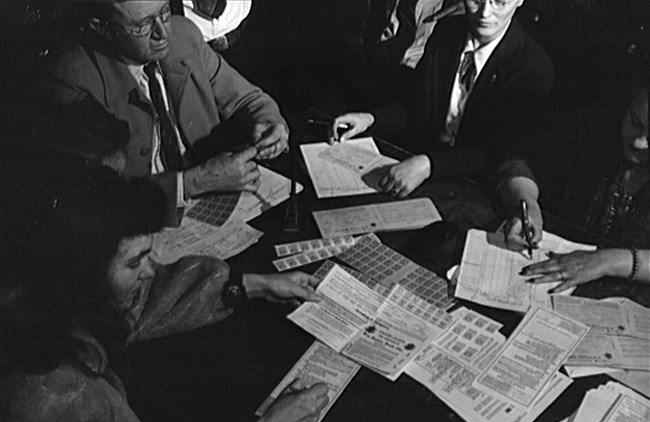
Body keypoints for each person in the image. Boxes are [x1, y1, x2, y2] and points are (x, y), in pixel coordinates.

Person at [0, 157, 328, 422]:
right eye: (134, 262)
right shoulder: (50, 398)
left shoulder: (45, 302)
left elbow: (142, 301)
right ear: (82, 272)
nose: (150, 271)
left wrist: (249, 285)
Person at [44, 0, 289, 223]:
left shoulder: (184, 35)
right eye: (143, 25)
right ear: (103, 28)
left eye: (164, 12)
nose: (163, 32)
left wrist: (268, 120)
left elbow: (247, 99)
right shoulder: (73, 79)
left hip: (216, 211)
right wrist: (196, 182)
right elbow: (98, 199)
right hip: (142, 228)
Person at [330, 0, 553, 205]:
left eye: (500, 2)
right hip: (421, 173)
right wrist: (370, 119)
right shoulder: (448, 32)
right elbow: (416, 107)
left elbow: (496, 151)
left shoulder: (533, 67)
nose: (485, 13)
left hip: (478, 189)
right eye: (476, 0)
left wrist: (430, 165)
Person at [520, 81, 648, 292]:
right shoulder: (594, 130)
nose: (639, 143)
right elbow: (517, 161)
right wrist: (526, 201)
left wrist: (607, 261)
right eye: (635, 121)